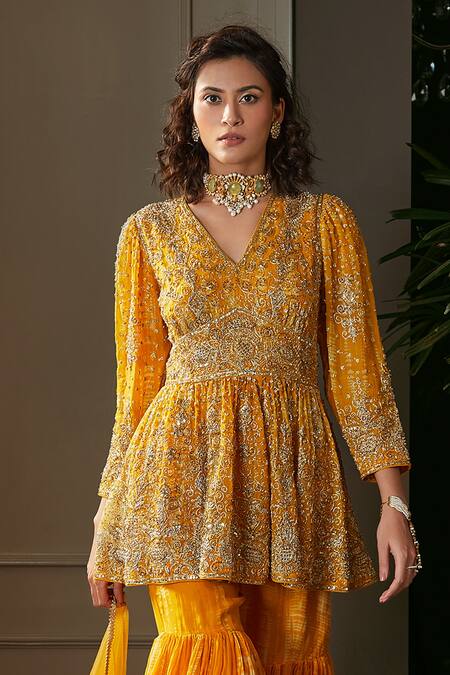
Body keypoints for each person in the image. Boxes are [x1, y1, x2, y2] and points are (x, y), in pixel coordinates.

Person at [87, 23, 421, 674]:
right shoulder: (148, 233)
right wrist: (108, 519)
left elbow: (359, 375)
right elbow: (136, 393)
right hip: (178, 475)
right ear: (189, 116)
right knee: (199, 650)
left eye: (249, 97)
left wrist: (394, 504)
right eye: (211, 99)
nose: (230, 115)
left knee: (287, 655)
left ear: (278, 112)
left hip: (291, 474)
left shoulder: (324, 223)